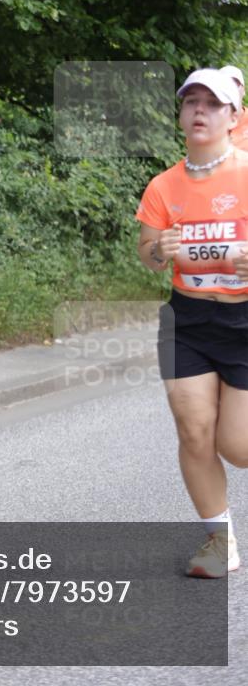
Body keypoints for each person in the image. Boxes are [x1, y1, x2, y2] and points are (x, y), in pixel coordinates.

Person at [136, 68, 248, 577]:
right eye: (191, 102)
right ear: (181, 114)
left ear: (234, 117)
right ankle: (220, 540)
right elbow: (148, 254)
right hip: (187, 318)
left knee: (238, 447)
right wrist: (159, 249)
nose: (199, 110)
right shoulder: (163, 185)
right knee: (193, 430)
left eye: (213, 103)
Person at [220, 65, 248, 152]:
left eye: (235, 84)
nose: (230, 89)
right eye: (225, 84)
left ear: (244, 91)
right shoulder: (208, 124)